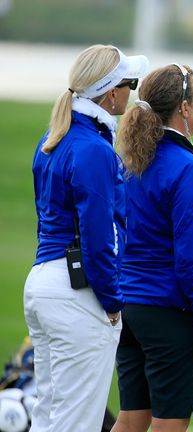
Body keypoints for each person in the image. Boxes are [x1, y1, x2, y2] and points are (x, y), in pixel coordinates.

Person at [23, 44, 148, 432]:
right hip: (77, 289)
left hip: (45, 281)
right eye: (130, 83)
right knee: (77, 422)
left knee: (49, 417)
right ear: (111, 94)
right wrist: (112, 301)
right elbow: (99, 236)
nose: (132, 91)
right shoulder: (93, 148)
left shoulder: (56, 137)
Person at [111, 63, 193, 432]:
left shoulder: (132, 159)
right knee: (169, 424)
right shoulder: (188, 169)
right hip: (169, 311)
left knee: (130, 420)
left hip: (130, 307)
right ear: (185, 109)